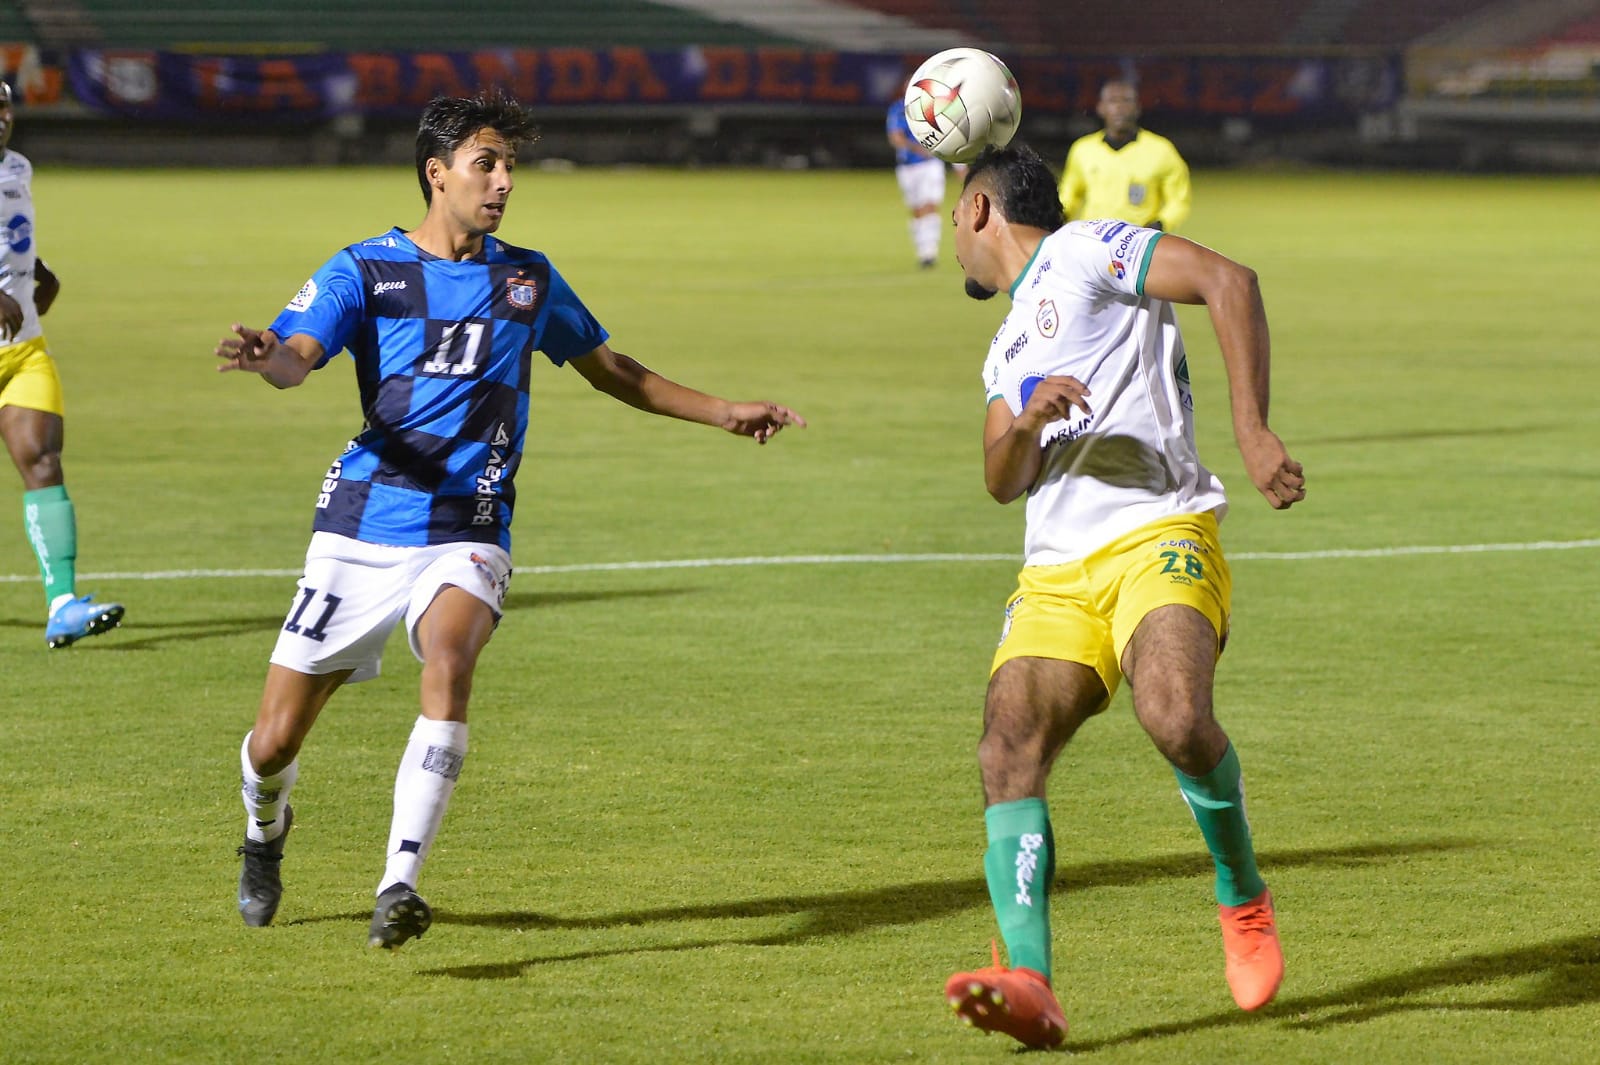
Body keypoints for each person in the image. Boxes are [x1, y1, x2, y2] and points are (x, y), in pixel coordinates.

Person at [216, 90, 804, 949]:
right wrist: (270, 355)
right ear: (436, 173)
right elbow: (298, 358)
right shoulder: (366, 270)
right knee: (271, 744)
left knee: (449, 657)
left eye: (510, 167)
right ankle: (264, 830)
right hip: (361, 521)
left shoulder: (526, 279)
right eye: (486, 164)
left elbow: (615, 370)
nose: (503, 182)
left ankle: (399, 882)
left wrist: (723, 411)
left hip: (470, 521)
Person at [941, 144, 1303, 1049]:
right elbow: (999, 477)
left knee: (1176, 713)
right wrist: (1023, 422)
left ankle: (1242, 895)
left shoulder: (1085, 250)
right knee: (1007, 743)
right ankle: (1029, 979)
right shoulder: (1005, 344)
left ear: (981, 211)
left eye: (954, 213)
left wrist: (1251, 430)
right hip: (1057, 571)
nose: (950, 231)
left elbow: (1229, 279)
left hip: (1160, 532)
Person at [0, 81, 125, 649]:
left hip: (21, 346)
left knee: (43, 460)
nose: (1, 117)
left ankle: (62, 604)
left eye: (3, 106)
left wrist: (36, 271)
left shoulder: (18, 167)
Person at [1058, 79, 1191, 232]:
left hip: (1136, 242)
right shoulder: (1083, 150)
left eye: (1126, 101)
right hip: (1092, 239)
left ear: (1137, 108)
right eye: (1113, 101)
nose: (1120, 107)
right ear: (1101, 108)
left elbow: (1178, 201)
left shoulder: (1161, 150)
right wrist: (1058, 216)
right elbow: (1069, 195)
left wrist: (1159, 224)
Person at [886, 88, 959, 268]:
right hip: (907, 167)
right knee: (916, 209)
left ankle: (930, 251)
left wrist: (958, 164)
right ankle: (922, 249)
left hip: (930, 165)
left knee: (930, 204)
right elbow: (895, 138)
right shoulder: (898, 110)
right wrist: (916, 148)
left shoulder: (933, 107)